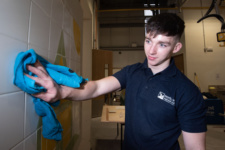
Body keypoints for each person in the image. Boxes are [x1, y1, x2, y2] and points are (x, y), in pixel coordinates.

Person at [26, 13, 207, 150]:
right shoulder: (132, 72)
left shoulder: (187, 92)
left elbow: (195, 148)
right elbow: (95, 87)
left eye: (162, 44)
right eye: (148, 40)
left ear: (176, 47)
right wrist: (61, 92)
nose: (151, 51)